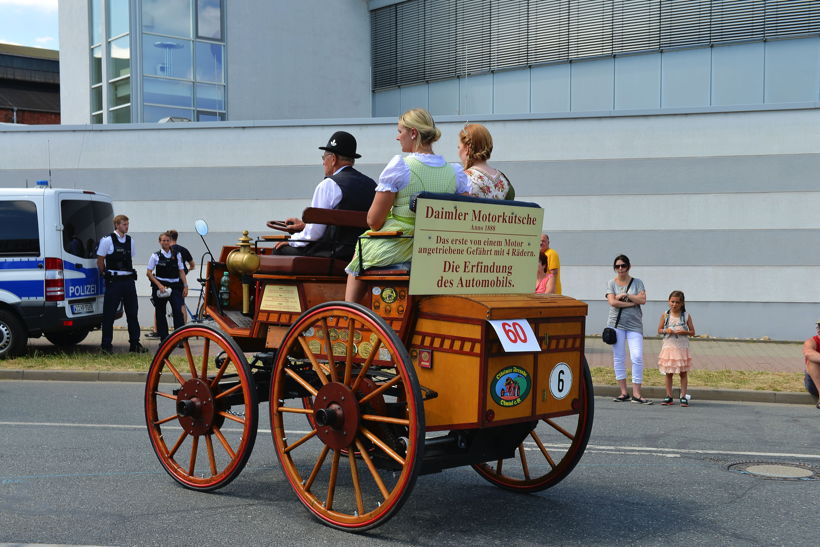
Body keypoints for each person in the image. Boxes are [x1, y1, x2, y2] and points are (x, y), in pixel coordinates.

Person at [345, 108, 470, 302]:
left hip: (401, 244)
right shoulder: (455, 172)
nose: (397, 137)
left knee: (362, 247)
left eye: (399, 131)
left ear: (413, 133)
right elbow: (464, 217)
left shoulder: (400, 167)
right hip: (438, 250)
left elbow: (373, 221)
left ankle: (350, 310)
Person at [273, 131, 376, 260]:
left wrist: (292, 241)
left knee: (278, 251)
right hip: (361, 255)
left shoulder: (329, 185)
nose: (323, 162)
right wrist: (305, 226)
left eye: (324, 158)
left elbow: (314, 233)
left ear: (333, 159)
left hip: (332, 256)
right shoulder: (371, 184)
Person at [97, 214, 146, 353]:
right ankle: (106, 346)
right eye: (124, 224)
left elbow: (129, 259)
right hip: (114, 282)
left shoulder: (130, 241)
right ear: (117, 225)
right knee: (109, 315)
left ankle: (135, 344)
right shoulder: (107, 241)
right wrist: (104, 274)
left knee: (132, 313)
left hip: (128, 281)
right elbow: (100, 261)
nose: (127, 226)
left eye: (127, 224)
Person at [606, 254, 650, 404]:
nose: (620, 269)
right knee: (619, 358)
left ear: (628, 267)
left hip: (634, 325)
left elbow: (643, 300)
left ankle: (637, 393)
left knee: (637, 356)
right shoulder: (611, 283)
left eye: (623, 266)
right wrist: (632, 302)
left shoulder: (637, 282)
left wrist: (625, 295)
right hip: (616, 324)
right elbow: (612, 302)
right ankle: (623, 392)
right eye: (617, 266)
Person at [146, 232, 188, 342]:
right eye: (163, 240)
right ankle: (164, 339)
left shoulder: (177, 254)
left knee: (178, 312)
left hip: (175, 286)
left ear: (170, 241)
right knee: (160, 313)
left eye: (167, 240)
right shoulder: (155, 255)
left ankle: (179, 338)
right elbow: (149, 273)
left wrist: (185, 286)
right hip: (161, 287)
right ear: (160, 242)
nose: (165, 242)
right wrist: (159, 285)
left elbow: (181, 271)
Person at [657, 290, 696, 406]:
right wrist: (666, 330)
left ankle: (683, 396)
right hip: (669, 347)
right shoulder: (665, 315)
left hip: (682, 348)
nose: (674, 304)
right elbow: (659, 330)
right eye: (672, 302)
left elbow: (693, 332)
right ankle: (669, 396)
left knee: (683, 373)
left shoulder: (686, 316)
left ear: (682, 303)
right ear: (668, 301)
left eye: (677, 302)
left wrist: (684, 332)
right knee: (669, 373)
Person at [457, 123, 514, 200]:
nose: (458, 152)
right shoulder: (504, 181)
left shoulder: (464, 179)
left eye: (459, 147)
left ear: (467, 148)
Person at [802, 320, 820, 408]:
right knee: (812, 361)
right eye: (819, 327)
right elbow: (808, 353)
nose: (819, 330)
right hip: (814, 384)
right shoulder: (811, 341)